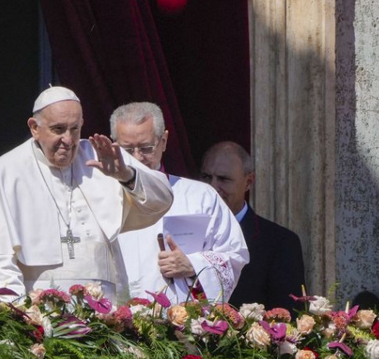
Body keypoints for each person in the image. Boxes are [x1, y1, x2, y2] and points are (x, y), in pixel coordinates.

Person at [0, 87, 173, 303]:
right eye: (58, 129)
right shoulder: (4, 173)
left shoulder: (101, 157)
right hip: (41, 314)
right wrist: (19, 318)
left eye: (75, 129)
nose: (69, 140)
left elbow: (162, 201)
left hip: (106, 310)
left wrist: (126, 175)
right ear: (35, 128)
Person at [113, 103, 248, 303]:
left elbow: (234, 256)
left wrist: (193, 265)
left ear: (164, 141)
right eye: (127, 150)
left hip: (179, 325)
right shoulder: (100, 197)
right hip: (115, 322)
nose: (137, 158)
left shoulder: (201, 196)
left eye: (146, 148)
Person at [201, 142, 305, 312]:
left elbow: (287, 318)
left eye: (223, 179)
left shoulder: (280, 242)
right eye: (206, 177)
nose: (212, 187)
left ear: (248, 182)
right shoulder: (186, 233)